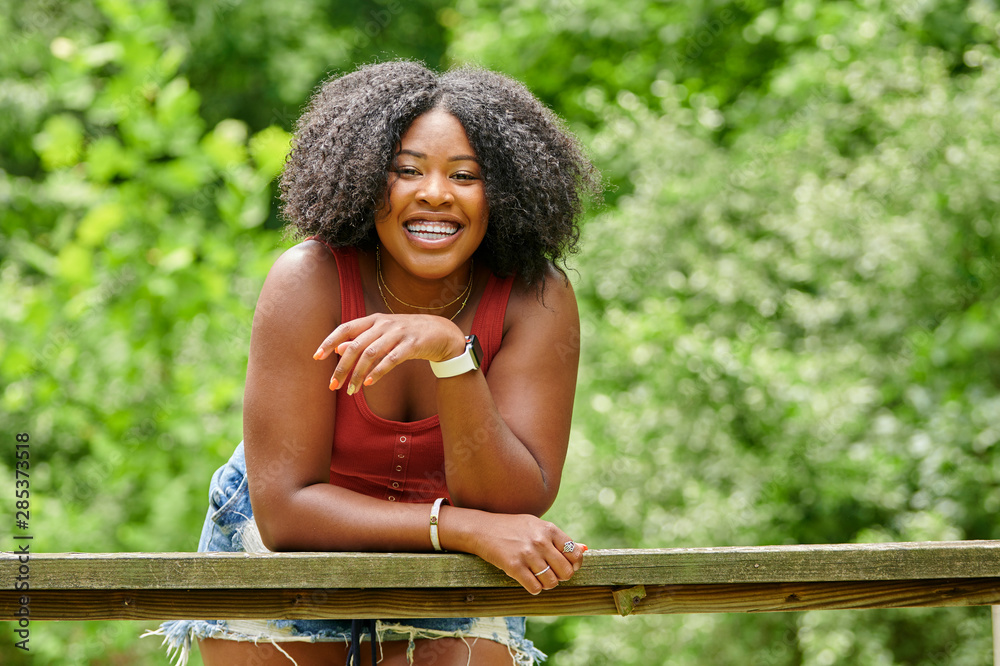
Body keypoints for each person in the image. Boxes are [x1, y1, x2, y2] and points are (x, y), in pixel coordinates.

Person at [150, 59, 600, 666]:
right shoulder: (309, 280)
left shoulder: (534, 295)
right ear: (364, 180)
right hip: (295, 545)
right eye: (407, 171)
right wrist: (458, 528)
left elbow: (514, 497)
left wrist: (451, 356)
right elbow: (285, 512)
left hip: (463, 555)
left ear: (505, 191)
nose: (435, 192)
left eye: (465, 175)